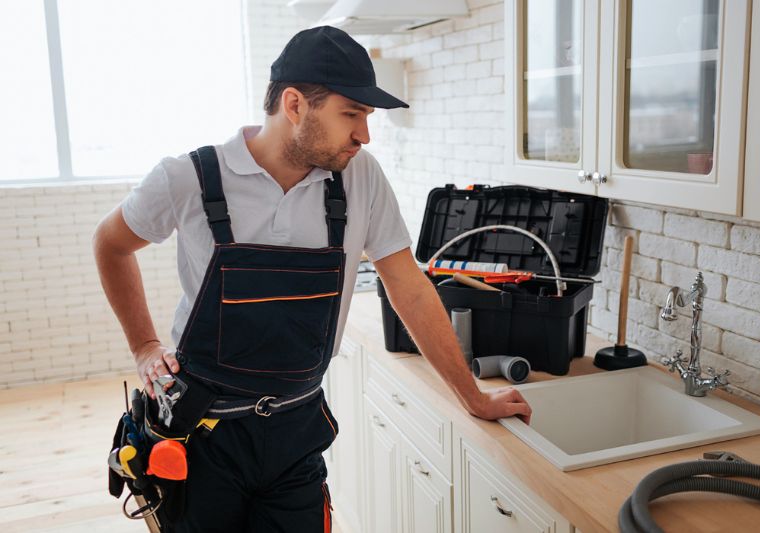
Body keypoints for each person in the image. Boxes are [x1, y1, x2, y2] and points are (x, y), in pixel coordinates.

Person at [93, 25, 531, 532]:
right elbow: (111, 243)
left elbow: (408, 285)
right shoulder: (190, 177)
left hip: (296, 432)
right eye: (352, 114)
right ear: (295, 104)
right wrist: (145, 345)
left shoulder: (360, 177)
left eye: (367, 117)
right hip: (202, 435)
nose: (364, 135)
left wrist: (473, 397)